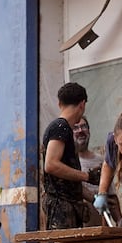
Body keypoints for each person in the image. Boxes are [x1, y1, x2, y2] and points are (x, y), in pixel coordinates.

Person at [40, 82, 92, 233]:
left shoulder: (62, 128)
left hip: (66, 208)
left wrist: (94, 199)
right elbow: (50, 165)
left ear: (59, 103)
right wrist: (86, 176)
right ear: (82, 104)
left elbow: (66, 180)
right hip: (61, 209)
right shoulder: (60, 127)